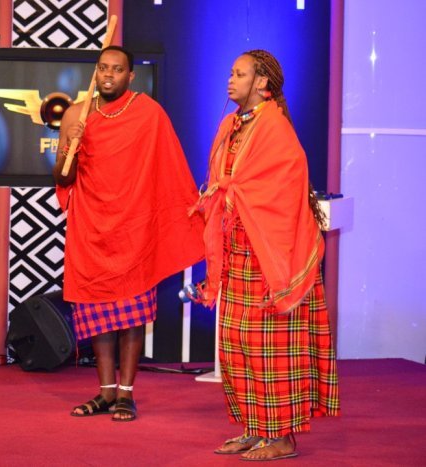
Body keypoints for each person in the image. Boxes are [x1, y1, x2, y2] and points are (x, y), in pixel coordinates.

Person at [195, 49, 340, 460]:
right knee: (235, 345)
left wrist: (232, 191)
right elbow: (224, 179)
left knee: (269, 349)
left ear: (262, 83)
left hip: (270, 256)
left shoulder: (275, 128)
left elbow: (281, 190)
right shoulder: (231, 124)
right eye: (231, 72)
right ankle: (254, 428)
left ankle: (282, 437)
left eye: (240, 74)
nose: (231, 79)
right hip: (237, 250)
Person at [53, 45, 205, 421]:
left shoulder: (148, 113)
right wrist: (70, 145)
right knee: (98, 312)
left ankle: (126, 394)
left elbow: (169, 168)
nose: (108, 75)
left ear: (130, 76)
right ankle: (105, 392)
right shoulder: (76, 114)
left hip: (134, 228)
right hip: (91, 228)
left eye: (117, 69)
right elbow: (62, 178)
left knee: (131, 314)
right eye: (103, 68)